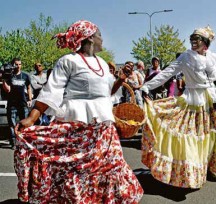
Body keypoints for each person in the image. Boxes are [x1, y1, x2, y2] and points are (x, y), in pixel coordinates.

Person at [14, 20, 143, 203]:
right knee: (78, 171)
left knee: (111, 167)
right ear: (89, 38)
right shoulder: (68, 61)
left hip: (103, 128)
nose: (102, 39)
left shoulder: (103, 64)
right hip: (77, 125)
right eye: (99, 35)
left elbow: (106, 93)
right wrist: (32, 118)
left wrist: (120, 80)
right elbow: (52, 92)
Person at [140, 26, 216, 189]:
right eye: (192, 38)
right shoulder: (186, 57)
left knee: (215, 135)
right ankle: (193, 173)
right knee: (194, 137)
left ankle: (214, 167)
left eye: (197, 38)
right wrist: (146, 87)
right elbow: (167, 73)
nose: (193, 41)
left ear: (206, 43)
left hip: (213, 98)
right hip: (193, 99)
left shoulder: (214, 58)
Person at [2, 57, 32, 149]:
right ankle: (14, 143)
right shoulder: (10, 75)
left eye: (19, 64)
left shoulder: (25, 76)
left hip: (23, 104)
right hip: (12, 104)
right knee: (12, 124)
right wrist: (4, 80)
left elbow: (29, 87)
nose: (18, 66)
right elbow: (7, 90)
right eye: (16, 64)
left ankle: (24, 142)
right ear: (13, 65)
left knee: (25, 124)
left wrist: (30, 99)